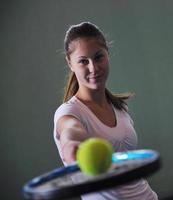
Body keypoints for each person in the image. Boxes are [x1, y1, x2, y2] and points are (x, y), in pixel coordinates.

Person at [53, 22, 158, 200]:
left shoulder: (119, 107)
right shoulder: (68, 112)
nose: (93, 68)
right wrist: (70, 144)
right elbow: (70, 129)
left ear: (107, 54)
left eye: (98, 57)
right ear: (70, 63)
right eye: (83, 61)